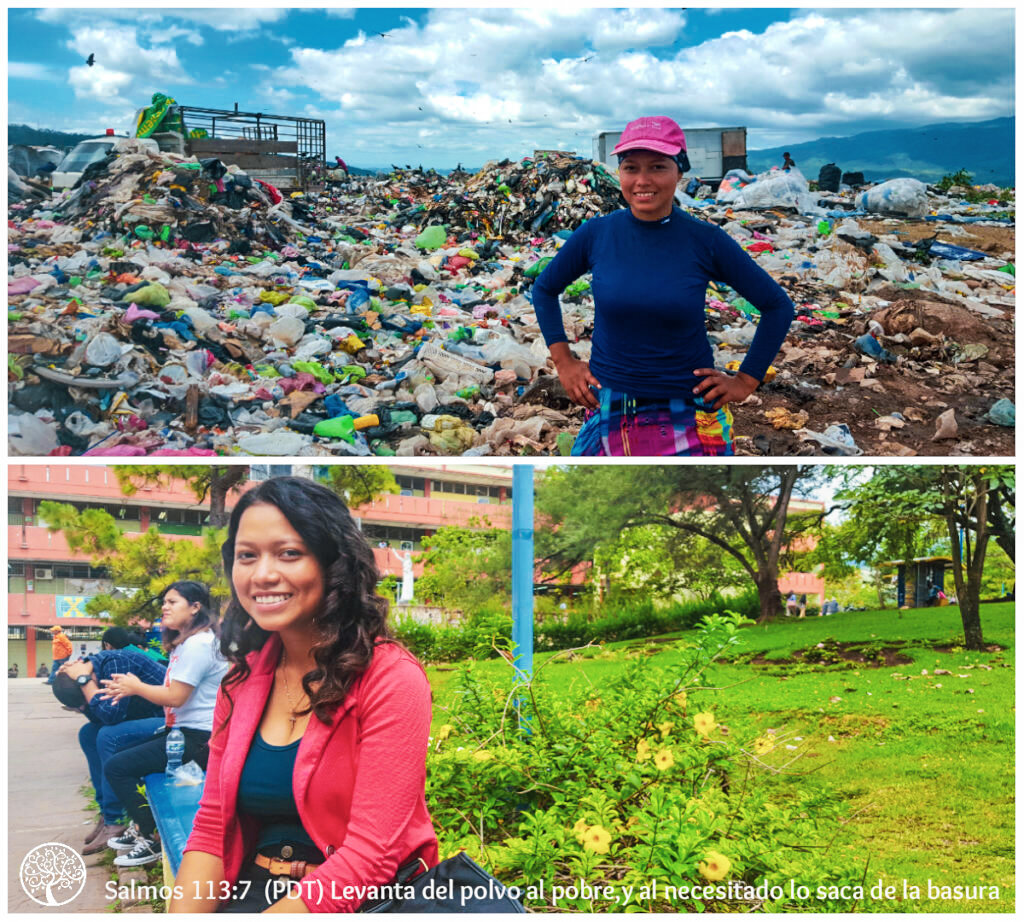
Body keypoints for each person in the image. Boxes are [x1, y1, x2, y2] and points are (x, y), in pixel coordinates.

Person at [170, 477, 437, 913]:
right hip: (254, 888)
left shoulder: (390, 678)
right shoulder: (241, 680)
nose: (263, 575)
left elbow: (372, 855)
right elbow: (213, 826)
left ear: (334, 562)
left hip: (359, 900)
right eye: (247, 556)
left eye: (289, 553)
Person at [533, 115, 794, 456]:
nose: (642, 180)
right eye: (630, 168)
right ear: (619, 174)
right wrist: (564, 362)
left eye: (657, 167)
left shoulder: (705, 240)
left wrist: (745, 380)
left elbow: (777, 306)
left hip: (689, 405)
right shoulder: (597, 234)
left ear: (679, 172)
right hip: (611, 400)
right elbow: (544, 289)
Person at [99, 582, 228, 868]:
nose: (164, 607)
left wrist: (135, 686)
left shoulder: (199, 644)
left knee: (117, 767)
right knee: (122, 754)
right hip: (183, 733)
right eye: (164, 602)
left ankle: (152, 837)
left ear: (195, 607)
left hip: (198, 738)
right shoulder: (189, 642)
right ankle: (143, 826)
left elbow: (176, 697)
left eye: (173, 602)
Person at [51, 646, 168, 854]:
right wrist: (85, 697)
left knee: (108, 736)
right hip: (143, 719)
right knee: (88, 734)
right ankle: (106, 813)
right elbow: (98, 717)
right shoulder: (91, 673)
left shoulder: (116, 663)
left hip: (169, 718)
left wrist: (84, 682)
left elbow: (111, 716)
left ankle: (116, 820)